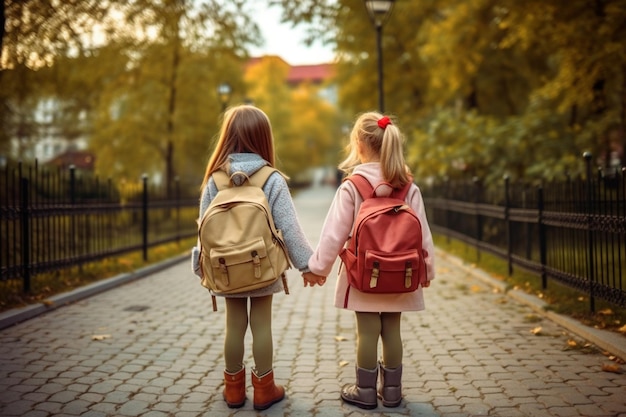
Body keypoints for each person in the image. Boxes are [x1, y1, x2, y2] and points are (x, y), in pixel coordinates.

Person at [190, 104, 322, 410]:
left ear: (227, 137)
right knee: (262, 325)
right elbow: (290, 229)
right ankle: (264, 389)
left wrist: (201, 266)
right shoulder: (271, 179)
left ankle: (233, 390)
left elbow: (202, 228)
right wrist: (308, 266)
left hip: (225, 270)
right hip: (263, 266)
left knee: (233, 325)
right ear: (264, 138)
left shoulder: (215, 180)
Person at [307, 111, 436, 409]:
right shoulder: (408, 187)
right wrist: (426, 271)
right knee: (393, 330)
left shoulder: (353, 186)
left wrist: (317, 269)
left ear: (359, 144)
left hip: (364, 275)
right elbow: (424, 234)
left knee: (366, 332)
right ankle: (392, 392)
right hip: (402, 275)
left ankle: (364, 392)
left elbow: (333, 235)